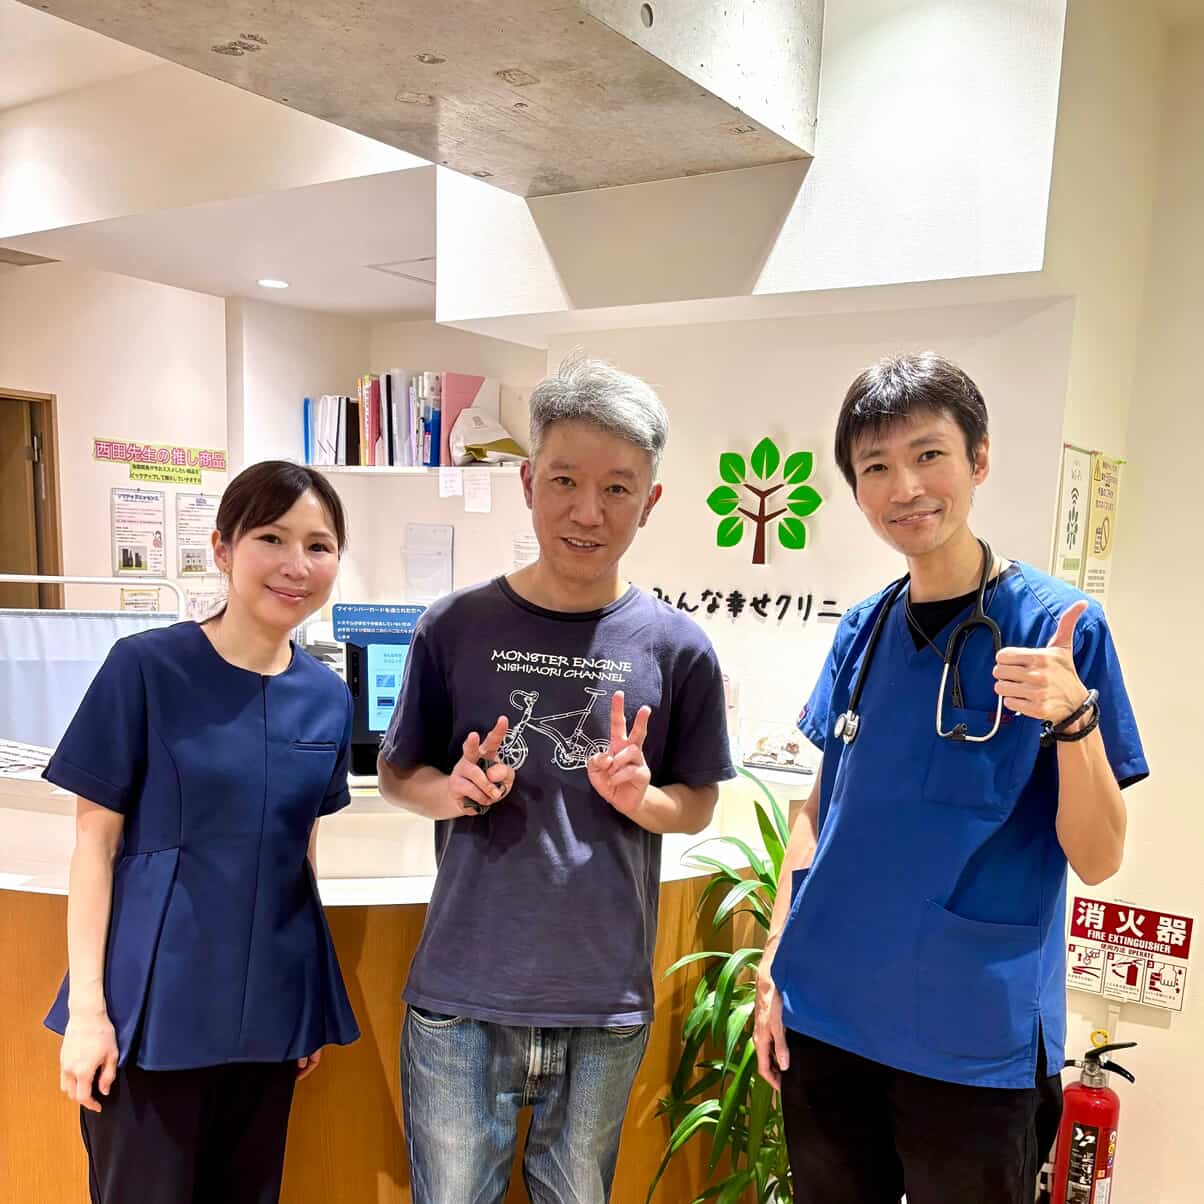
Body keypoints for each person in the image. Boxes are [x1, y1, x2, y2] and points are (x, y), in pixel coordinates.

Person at [754, 354, 1148, 1204]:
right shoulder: (863, 631)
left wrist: (1073, 719)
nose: (905, 487)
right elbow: (817, 813)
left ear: (979, 460)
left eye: (928, 455)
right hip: (828, 1015)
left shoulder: (1057, 628)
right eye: (876, 467)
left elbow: (1100, 856)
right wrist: (776, 961)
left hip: (971, 1041)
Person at [377, 355, 736, 1204]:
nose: (587, 511)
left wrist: (643, 800)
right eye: (566, 480)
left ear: (650, 501)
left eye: (617, 488)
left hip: (602, 1001)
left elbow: (696, 803)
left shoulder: (677, 648)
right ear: (528, 482)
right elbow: (397, 773)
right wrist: (450, 791)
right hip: (463, 994)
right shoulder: (454, 625)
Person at [46, 460, 360, 1204]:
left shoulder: (327, 696)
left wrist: (304, 1003)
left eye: (318, 545)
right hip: (151, 1009)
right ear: (222, 549)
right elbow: (94, 847)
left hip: (270, 1011)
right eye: (271, 538)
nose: (296, 564)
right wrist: (88, 1014)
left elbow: (299, 856)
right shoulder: (146, 667)